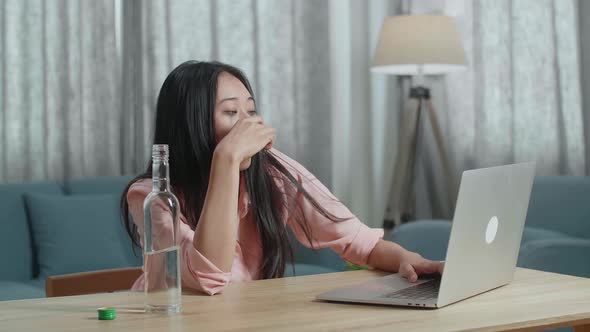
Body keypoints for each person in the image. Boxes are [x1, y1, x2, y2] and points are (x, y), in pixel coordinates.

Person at [121, 60, 443, 296]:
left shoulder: (272, 171)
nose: (250, 124)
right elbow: (208, 276)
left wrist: (409, 260)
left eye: (251, 110)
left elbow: (355, 240)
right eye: (231, 113)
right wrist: (227, 159)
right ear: (190, 124)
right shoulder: (150, 196)